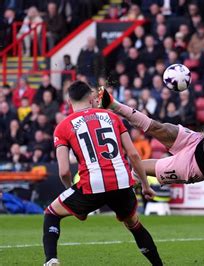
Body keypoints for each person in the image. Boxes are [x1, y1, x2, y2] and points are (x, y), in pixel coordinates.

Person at [42, 81, 162, 266]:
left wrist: (71, 190)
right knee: (134, 225)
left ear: (68, 100)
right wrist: (145, 186)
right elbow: (133, 155)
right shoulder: (112, 117)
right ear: (91, 98)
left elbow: (64, 170)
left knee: (51, 213)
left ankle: (51, 260)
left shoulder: (63, 126)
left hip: (92, 185)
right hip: (121, 182)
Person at [98, 56, 204, 185]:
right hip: (197, 141)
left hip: (195, 166)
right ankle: (113, 104)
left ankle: (134, 183)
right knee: (160, 127)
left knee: (139, 165)